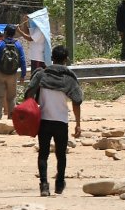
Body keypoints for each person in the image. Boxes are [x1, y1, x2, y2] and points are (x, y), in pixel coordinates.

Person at [24, 46, 82, 196]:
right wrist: (78, 124)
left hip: (43, 121)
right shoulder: (69, 78)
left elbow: (28, 93)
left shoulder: (41, 75)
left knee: (43, 154)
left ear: (52, 58)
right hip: (61, 122)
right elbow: (77, 101)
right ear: (65, 59)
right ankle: (60, 183)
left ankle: (44, 185)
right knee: (61, 155)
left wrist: (30, 109)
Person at [0, 24, 25, 121]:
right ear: (14, 34)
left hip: (0, 73)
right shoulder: (18, 44)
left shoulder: (0, 44)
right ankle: (12, 119)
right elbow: (22, 60)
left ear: (5, 33)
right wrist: (23, 75)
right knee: (12, 97)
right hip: (13, 74)